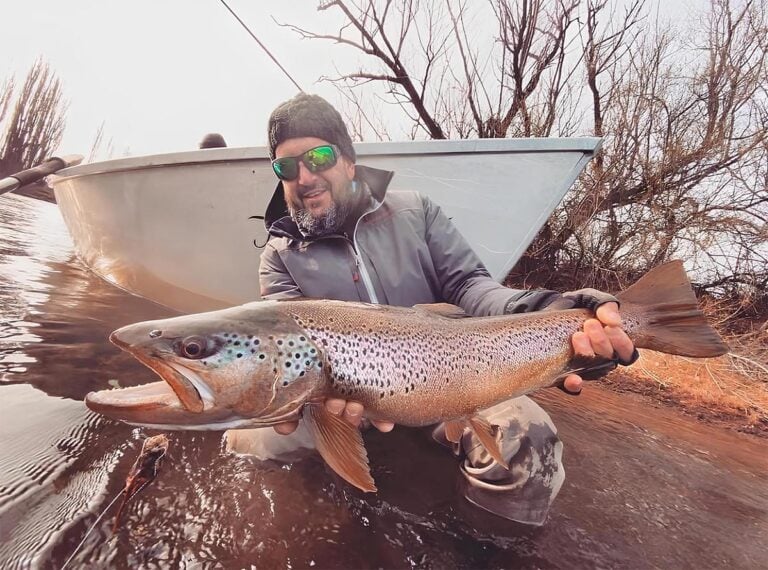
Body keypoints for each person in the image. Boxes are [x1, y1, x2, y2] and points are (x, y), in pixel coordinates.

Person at [254, 93, 637, 525]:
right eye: (286, 167)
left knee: (527, 438)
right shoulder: (279, 255)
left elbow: (469, 285)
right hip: (342, 400)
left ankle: (487, 546)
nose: (304, 176)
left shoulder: (414, 210)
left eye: (318, 157)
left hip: (452, 383)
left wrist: (542, 307)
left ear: (347, 161)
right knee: (249, 443)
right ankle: (311, 515)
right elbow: (287, 352)